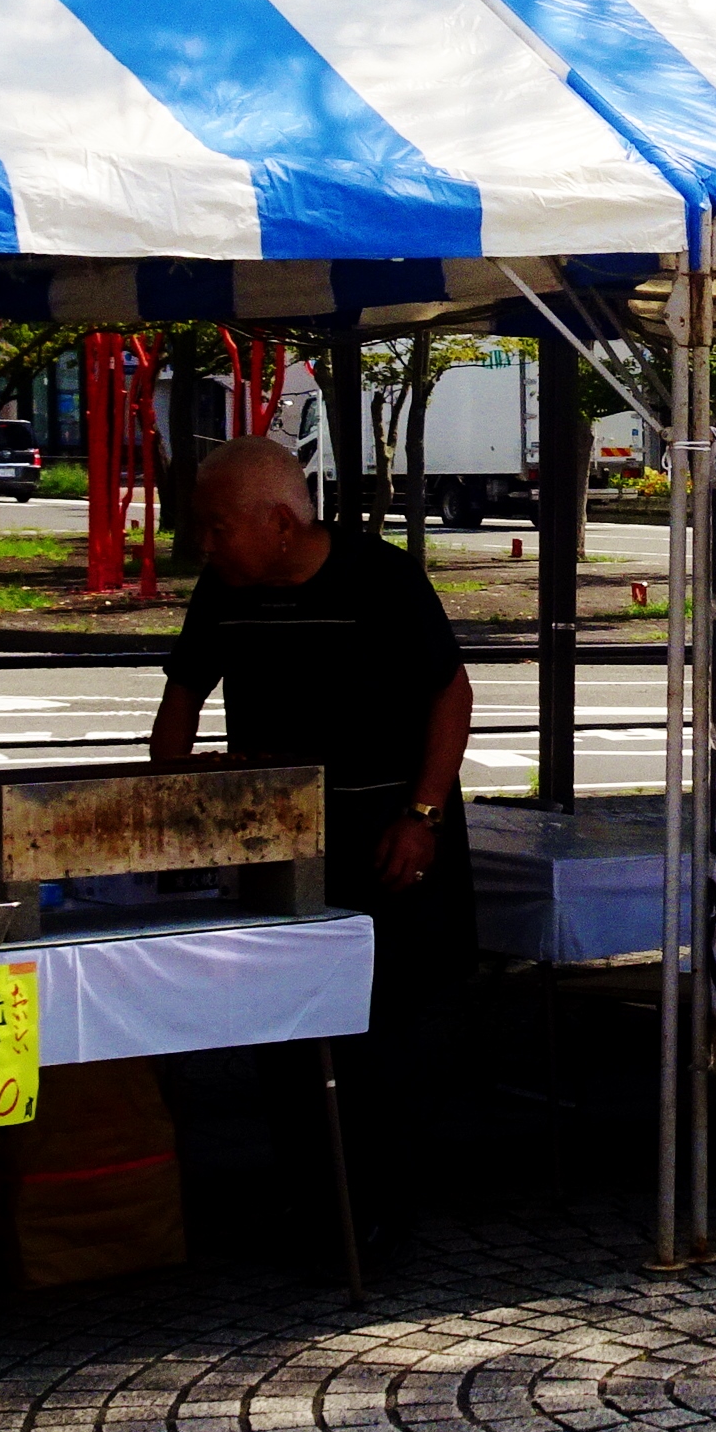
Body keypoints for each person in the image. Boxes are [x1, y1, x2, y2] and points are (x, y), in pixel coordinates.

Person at [151, 437, 474, 1243]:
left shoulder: (382, 579)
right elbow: (182, 696)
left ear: (280, 523)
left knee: (380, 1033)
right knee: (285, 1026)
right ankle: (308, 1196)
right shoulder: (224, 591)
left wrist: (423, 815)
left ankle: (377, 1217)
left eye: (219, 527)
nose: (205, 544)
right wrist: (171, 796)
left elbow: (451, 692)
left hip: (384, 836)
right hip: (278, 841)